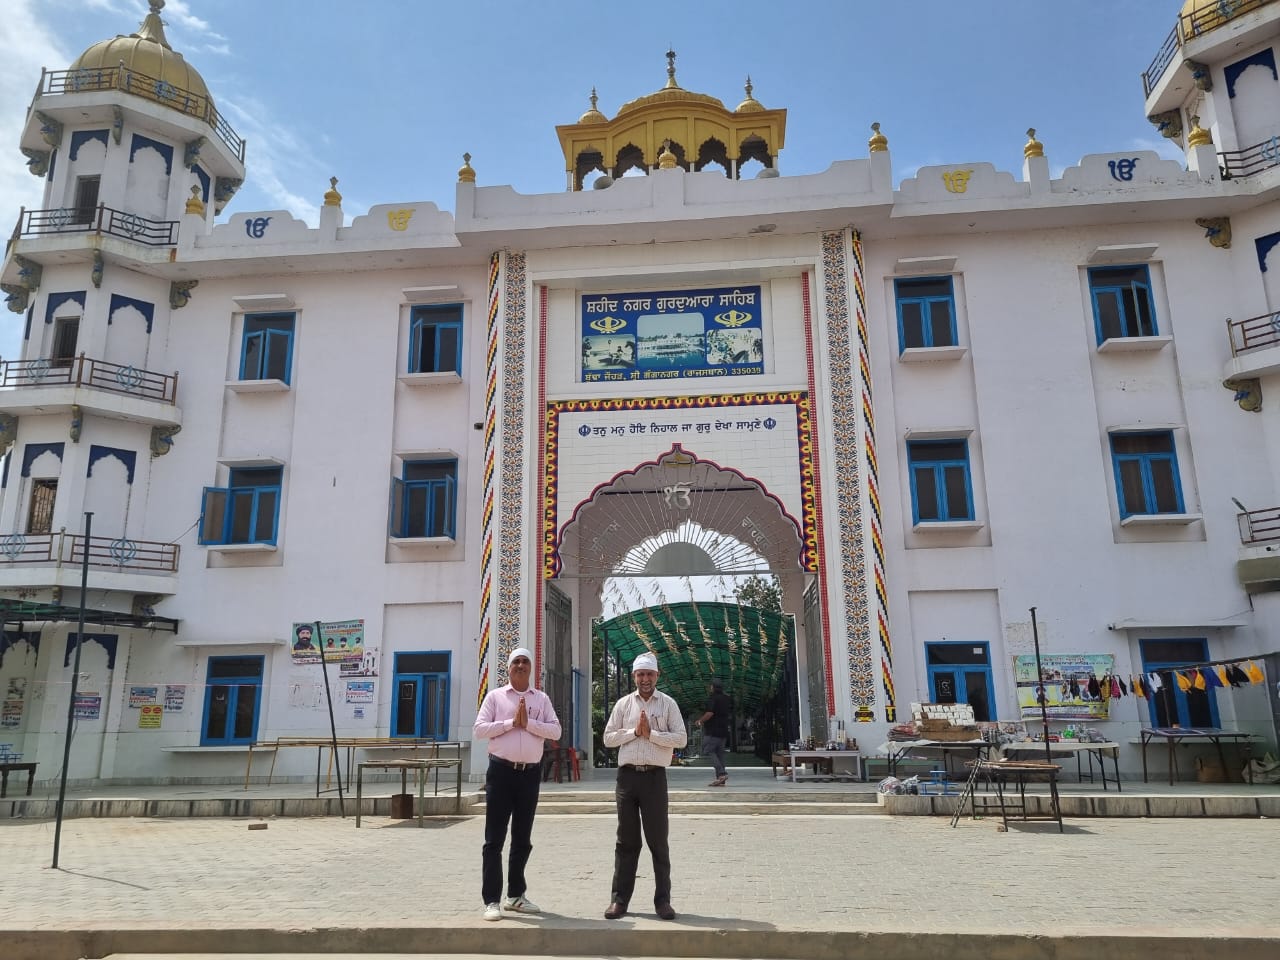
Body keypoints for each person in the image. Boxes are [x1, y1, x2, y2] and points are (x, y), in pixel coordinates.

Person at [472, 646, 562, 922]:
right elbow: (479, 730)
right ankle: (491, 900)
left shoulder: (541, 699)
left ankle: (515, 896)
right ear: (508, 668)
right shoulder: (495, 697)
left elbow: (555, 731)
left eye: (525, 662)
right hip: (501, 773)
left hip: (529, 775)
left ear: (531, 668)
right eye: (516, 662)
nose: (521, 666)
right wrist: (512, 722)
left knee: (522, 838)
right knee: (494, 839)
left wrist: (530, 723)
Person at [602, 651, 687, 921]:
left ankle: (663, 901)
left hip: (654, 778)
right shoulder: (624, 705)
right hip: (627, 779)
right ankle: (619, 900)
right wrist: (634, 733)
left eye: (650, 674)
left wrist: (652, 735)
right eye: (641, 674)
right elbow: (608, 738)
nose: (645, 679)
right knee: (626, 841)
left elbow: (681, 739)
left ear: (657, 676)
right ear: (634, 676)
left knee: (658, 841)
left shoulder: (668, 704)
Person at [694, 678, 731, 786]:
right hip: (724, 731)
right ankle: (721, 778)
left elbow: (710, 713)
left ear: (713, 687)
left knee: (708, 750)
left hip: (713, 731)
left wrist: (700, 721)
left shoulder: (713, 698)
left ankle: (722, 773)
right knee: (720, 754)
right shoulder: (727, 698)